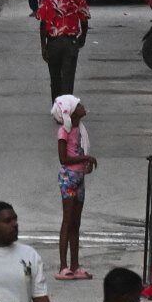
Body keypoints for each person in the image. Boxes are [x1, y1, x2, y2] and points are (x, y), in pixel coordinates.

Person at [51, 96, 96, 281]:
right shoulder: (64, 132)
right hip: (68, 178)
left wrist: (86, 162)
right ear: (70, 112)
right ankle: (63, 266)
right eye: (79, 106)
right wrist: (86, 159)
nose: (83, 107)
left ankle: (75, 265)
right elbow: (64, 159)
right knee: (67, 221)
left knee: (75, 223)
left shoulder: (80, 130)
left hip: (78, 179)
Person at [36, 0, 89, 99]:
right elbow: (84, 21)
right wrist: (82, 37)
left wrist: (43, 46)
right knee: (68, 78)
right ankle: (67, 107)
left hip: (53, 43)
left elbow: (43, 24)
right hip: (70, 42)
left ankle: (57, 109)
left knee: (55, 79)